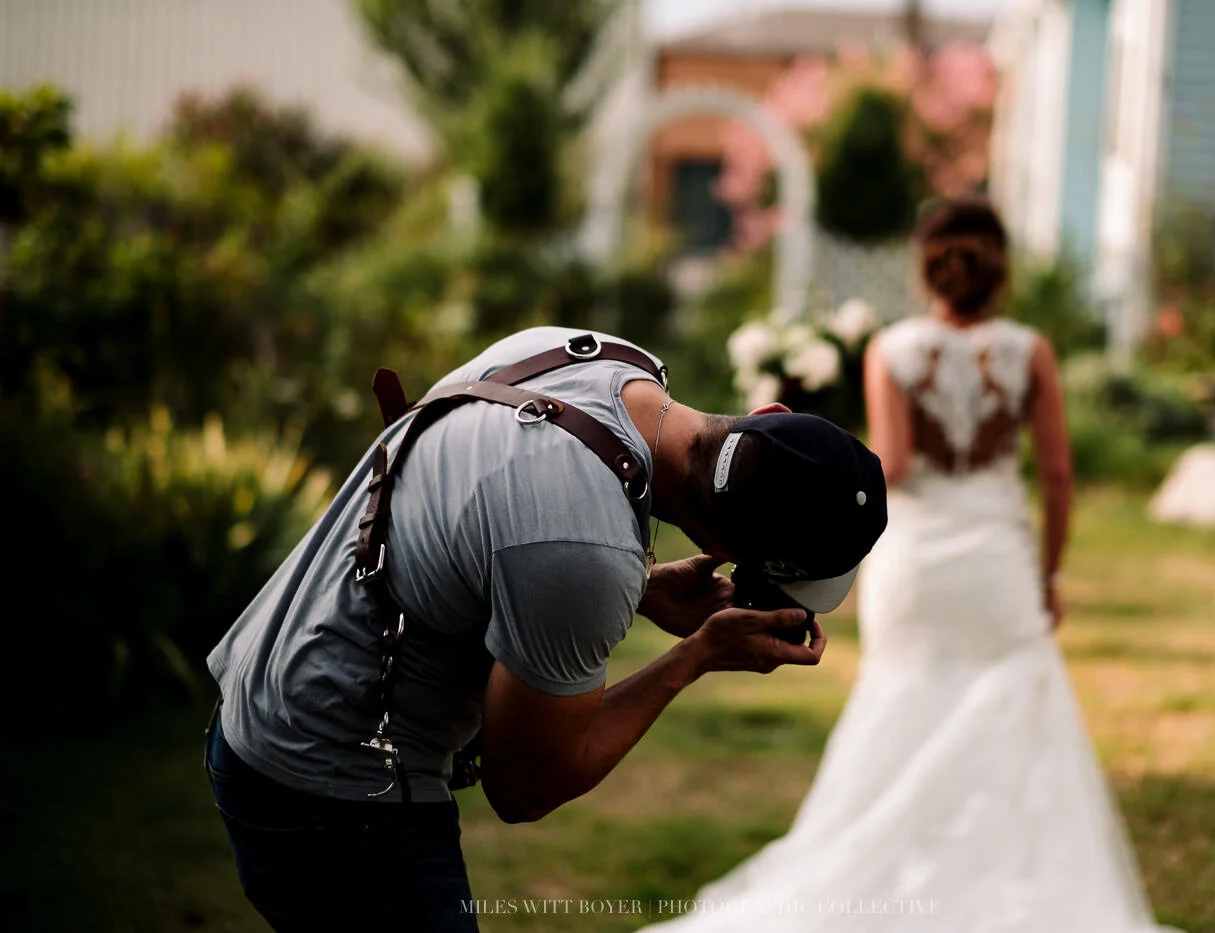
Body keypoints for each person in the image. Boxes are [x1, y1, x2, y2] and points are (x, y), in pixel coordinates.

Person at [203, 325, 888, 932]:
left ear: (767, 415)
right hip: (334, 782)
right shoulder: (587, 555)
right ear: (723, 548)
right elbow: (526, 787)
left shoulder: (601, 359)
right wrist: (697, 655)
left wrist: (643, 590)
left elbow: (489, 526)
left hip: (269, 681)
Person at [639, 200, 1180, 932]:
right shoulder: (1031, 351)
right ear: (999, 269)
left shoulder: (891, 350)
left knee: (898, 710)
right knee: (1011, 725)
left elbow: (888, 467)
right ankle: (1002, 882)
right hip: (996, 568)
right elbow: (1056, 477)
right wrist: (1049, 575)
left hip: (918, 569)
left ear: (926, 268)